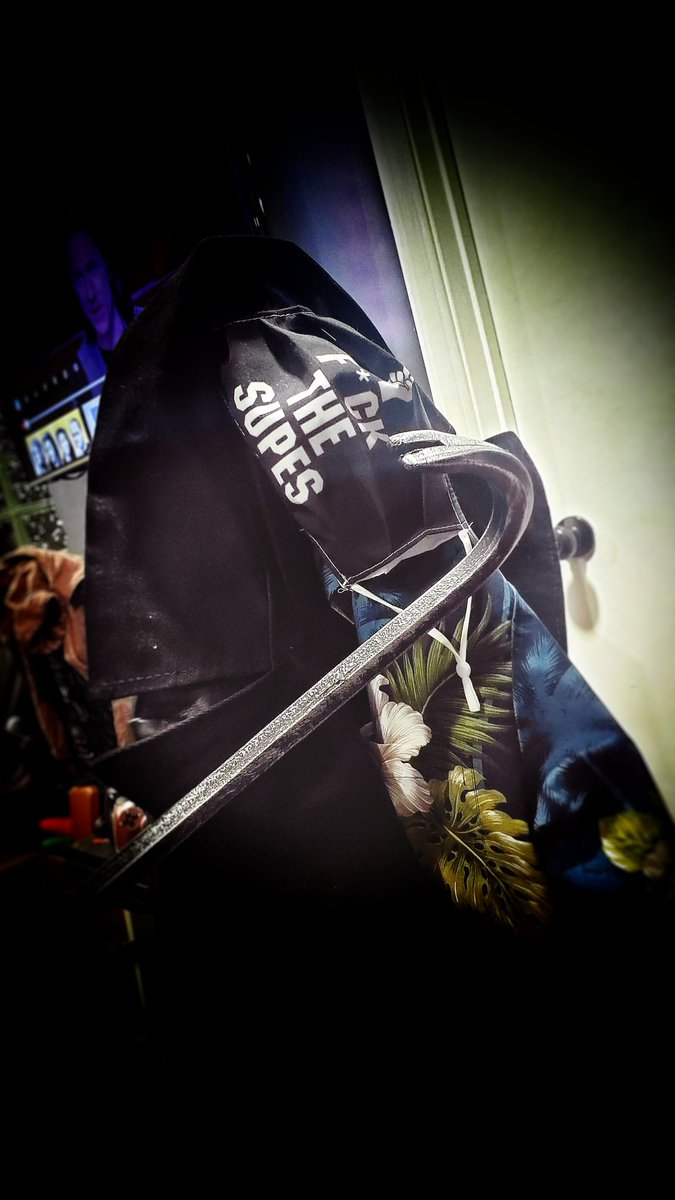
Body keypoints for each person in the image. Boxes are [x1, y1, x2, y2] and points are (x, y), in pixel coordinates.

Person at [65, 228, 137, 384]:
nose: (90, 293)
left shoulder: (152, 325)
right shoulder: (80, 374)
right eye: (78, 276)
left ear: (108, 269)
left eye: (92, 268)